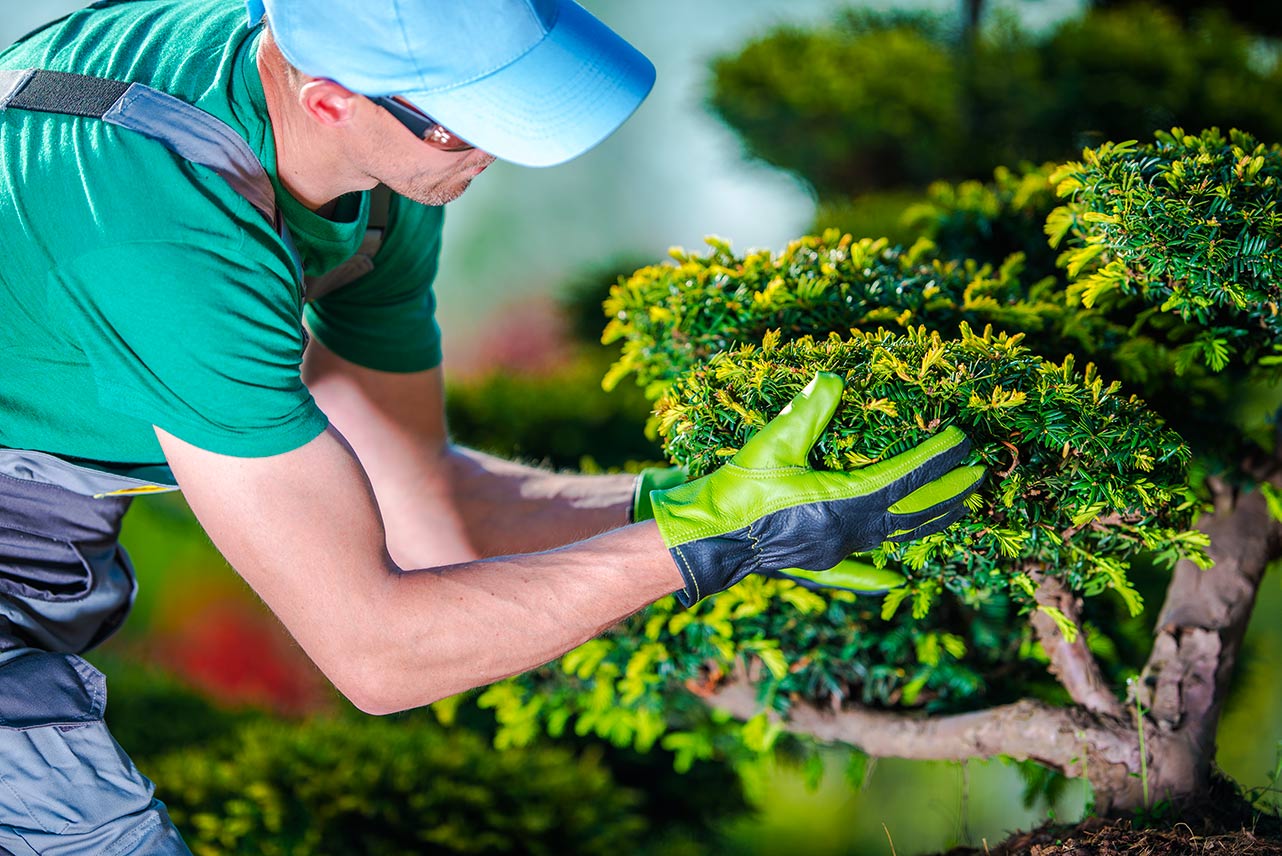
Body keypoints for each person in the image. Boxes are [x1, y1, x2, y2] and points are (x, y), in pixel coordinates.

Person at [0, 0, 985, 851]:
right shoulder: (163, 230)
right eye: (463, 125)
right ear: (329, 98)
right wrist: (704, 547)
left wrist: (684, 504)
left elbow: (430, 507)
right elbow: (377, 653)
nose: (490, 155)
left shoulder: (380, 176)